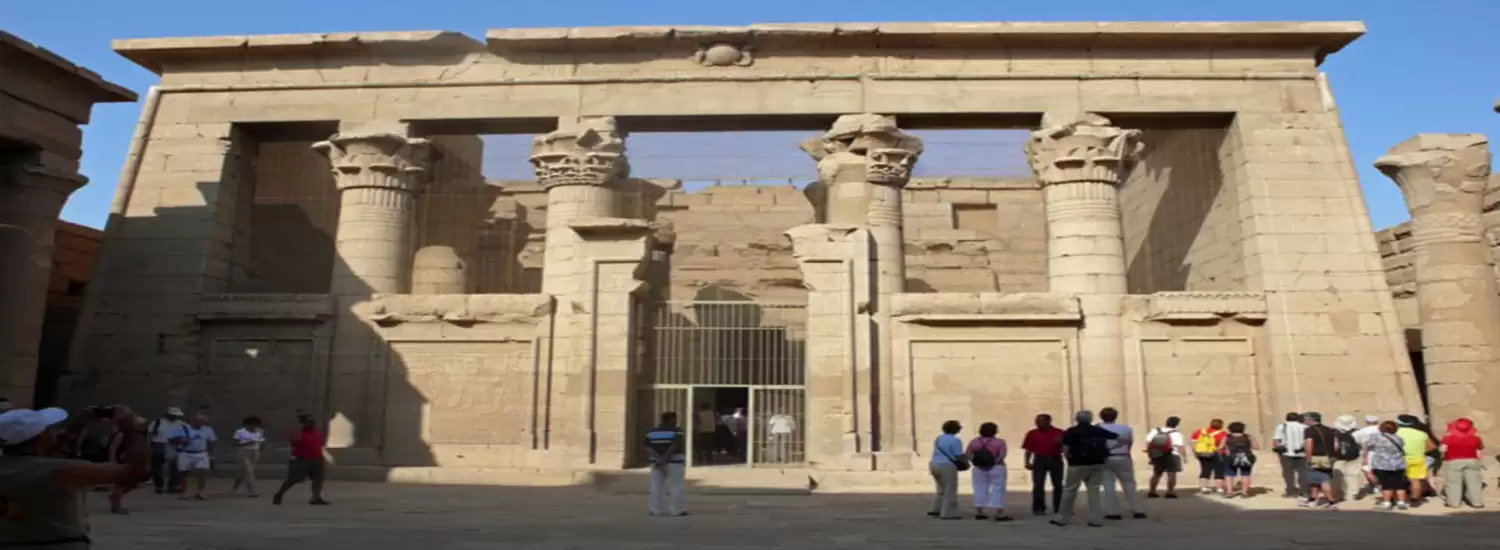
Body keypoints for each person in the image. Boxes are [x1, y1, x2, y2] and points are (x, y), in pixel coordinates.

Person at [0, 406, 150, 547]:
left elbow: (46, 454)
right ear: (42, 437)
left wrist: (76, 427)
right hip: (56, 544)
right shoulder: (61, 470)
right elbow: (136, 472)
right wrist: (131, 428)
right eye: (50, 429)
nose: (56, 432)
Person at [1050, 410, 1117, 528]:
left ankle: (1062, 518)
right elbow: (1118, 438)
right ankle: (1095, 519)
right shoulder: (1098, 430)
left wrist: (1069, 459)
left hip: (1077, 464)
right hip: (1097, 463)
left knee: (1070, 490)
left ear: (1077, 419)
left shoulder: (1072, 431)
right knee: (1094, 491)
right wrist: (1109, 451)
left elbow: (1065, 449)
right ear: (1090, 419)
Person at [1097, 407, 1145, 520]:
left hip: (1105, 458)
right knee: (1129, 483)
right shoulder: (1126, 428)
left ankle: (1113, 511)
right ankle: (1137, 509)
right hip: (1122, 456)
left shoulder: (1097, 429)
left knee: (1108, 484)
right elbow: (1130, 443)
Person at [273, 414, 331, 506]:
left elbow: (322, 443)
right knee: (293, 479)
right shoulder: (298, 433)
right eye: (309, 422)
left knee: (317, 478)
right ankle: (279, 494)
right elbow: (292, 438)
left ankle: (316, 497)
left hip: (316, 459)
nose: (312, 423)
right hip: (301, 460)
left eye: (312, 421)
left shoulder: (317, 432)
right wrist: (299, 424)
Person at [643, 411, 686, 517]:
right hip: (675, 463)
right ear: (672, 420)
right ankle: (677, 510)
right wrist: (664, 458)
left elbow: (647, 447)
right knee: (676, 485)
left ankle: (655, 509)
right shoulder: (677, 431)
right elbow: (675, 446)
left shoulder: (651, 432)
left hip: (656, 463)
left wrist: (659, 458)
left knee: (656, 486)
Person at [1022, 413, 1066, 515]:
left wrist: (1061, 444)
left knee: (1058, 484)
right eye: (1037, 421)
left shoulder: (1059, 432)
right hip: (1040, 460)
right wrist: (1027, 462)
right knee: (1038, 484)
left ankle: (1059, 507)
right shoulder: (1032, 433)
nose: (1038, 423)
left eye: (1041, 421)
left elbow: (1066, 447)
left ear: (1049, 421)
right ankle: (1039, 508)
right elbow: (1028, 449)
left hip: (1055, 459)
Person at [966, 422, 1010, 521]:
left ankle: (979, 511)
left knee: (979, 488)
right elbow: (1002, 455)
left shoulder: (974, 442)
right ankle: (999, 512)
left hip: (979, 468)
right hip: (997, 467)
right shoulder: (1000, 442)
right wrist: (994, 462)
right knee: (998, 488)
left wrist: (976, 462)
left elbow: (968, 454)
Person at [1363, 420, 1409, 510]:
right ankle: (1401, 502)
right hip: (1398, 463)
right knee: (1400, 485)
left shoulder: (1375, 437)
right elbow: (1402, 445)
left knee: (1386, 485)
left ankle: (1387, 503)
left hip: (1382, 464)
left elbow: (1368, 446)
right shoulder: (1399, 438)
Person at [1440, 417, 1484, 509]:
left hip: (1454, 461)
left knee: (1454, 482)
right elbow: (1479, 451)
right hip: (1472, 460)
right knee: (1474, 482)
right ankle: (1477, 503)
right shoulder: (1476, 439)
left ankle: (1454, 503)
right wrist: (1479, 461)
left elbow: (1443, 450)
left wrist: (1444, 456)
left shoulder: (1447, 438)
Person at [105, 417, 146, 514]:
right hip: (124, 460)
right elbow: (113, 448)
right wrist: (113, 461)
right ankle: (116, 505)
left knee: (132, 483)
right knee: (123, 483)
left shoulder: (137, 435)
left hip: (133, 460)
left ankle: (115, 498)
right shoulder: (122, 434)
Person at [170, 413, 216, 501]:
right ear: (193, 421)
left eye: (203, 422)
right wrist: (181, 441)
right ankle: (184, 492)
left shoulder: (208, 430)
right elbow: (171, 439)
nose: (201, 424)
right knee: (184, 473)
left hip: (201, 453)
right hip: (186, 453)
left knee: (202, 471)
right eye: (199, 422)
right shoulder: (182, 428)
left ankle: (201, 491)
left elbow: (211, 442)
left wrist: (211, 454)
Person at [927, 420, 964, 520]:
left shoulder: (939, 438)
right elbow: (958, 455)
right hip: (947, 465)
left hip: (934, 464)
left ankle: (936, 509)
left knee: (940, 488)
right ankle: (948, 513)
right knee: (950, 489)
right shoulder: (956, 440)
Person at [1301, 412, 1339, 508]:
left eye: (1305, 419)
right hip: (1328, 457)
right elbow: (1336, 444)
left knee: (1323, 479)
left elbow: (1309, 444)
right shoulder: (1329, 430)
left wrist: (1309, 458)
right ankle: (1312, 500)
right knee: (1314, 479)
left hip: (1316, 457)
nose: (1304, 421)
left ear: (1311, 419)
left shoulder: (1309, 430)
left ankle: (1331, 501)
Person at [1395, 414, 1436, 503]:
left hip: (1399, 459)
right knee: (1415, 480)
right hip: (1418, 458)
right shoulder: (1422, 434)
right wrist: (1420, 450)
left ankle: (1398, 498)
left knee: (1398, 480)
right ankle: (1415, 498)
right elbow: (1432, 446)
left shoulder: (1395, 433)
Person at [1143, 416, 1187, 498]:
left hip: (1158, 455)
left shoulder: (1155, 431)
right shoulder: (1177, 434)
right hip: (1172, 455)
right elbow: (1180, 447)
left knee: (1156, 473)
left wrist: (1150, 453)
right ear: (1176, 425)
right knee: (1171, 474)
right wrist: (1184, 457)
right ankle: (1170, 492)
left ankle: (1152, 491)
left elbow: (1148, 442)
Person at [146, 407, 186, 494]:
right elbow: (150, 433)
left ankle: (174, 485)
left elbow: (186, 435)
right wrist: (149, 445)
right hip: (158, 444)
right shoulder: (157, 422)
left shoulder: (181, 424)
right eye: (173, 415)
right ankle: (159, 485)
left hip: (174, 445)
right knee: (157, 467)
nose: (175, 417)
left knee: (175, 466)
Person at [1271, 412, 1307, 498]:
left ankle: (1290, 490)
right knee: (1303, 472)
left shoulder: (1282, 426)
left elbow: (1276, 440)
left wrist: (1277, 450)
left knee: (1288, 473)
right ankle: (1304, 490)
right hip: (1301, 453)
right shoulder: (1304, 427)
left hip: (1286, 453)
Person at [1189, 419, 1228, 494]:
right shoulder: (1223, 434)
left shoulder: (1200, 431)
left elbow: (1193, 442)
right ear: (1221, 425)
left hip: (1202, 453)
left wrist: (1195, 452)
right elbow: (1223, 446)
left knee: (1205, 470)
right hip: (1217, 454)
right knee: (1219, 471)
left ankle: (1203, 487)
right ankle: (1219, 488)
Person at [231, 416, 265, 497]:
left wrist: (260, 449)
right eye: (252, 425)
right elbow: (235, 443)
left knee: (245, 472)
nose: (253, 427)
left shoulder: (260, 431)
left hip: (255, 452)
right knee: (249, 471)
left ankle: (235, 487)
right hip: (244, 451)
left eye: (256, 425)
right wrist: (248, 443)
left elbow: (262, 441)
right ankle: (253, 491)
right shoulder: (240, 432)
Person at [1222, 421, 1257, 498]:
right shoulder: (1249, 437)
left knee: (1229, 475)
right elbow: (1256, 447)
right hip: (1246, 457)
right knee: (1245, 474)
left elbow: (1221, 447)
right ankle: (1244, 492)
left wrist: (1226, 450)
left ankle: (1229, 492)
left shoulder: (1227, 437)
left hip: (1231, 457)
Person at [1350, 415, 1382, 500]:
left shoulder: (1361, 431)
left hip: (1368, 453)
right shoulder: (1382, 429)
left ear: (1367, 422)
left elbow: (1355, 441)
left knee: (1367, 470)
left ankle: (1376, 485)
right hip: (1382, 452)